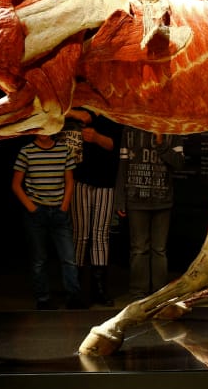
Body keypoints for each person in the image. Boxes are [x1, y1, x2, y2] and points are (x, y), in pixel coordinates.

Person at [11, 125, 86, 310]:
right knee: (39, 259)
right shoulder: (27, 151)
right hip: (37, 212)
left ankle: (73, 297)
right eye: (39, 128)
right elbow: (16, 184)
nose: (43, 132)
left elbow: (69, 181)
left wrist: (64, 205)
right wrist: (32, 207)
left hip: (58, 211)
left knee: (68, 257)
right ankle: (43, 298)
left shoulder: (63, 150)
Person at [115, 126, 186, 300]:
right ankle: (139, 294)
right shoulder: (130, 127)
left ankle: (159, 293)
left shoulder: (171, 127)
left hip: (162, 199)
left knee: (159, 249)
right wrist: (120, 198)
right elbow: (123, 164)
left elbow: (179, 163)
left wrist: (161, 144)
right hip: (136, 198)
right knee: (139, 249)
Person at [66, 108, 120, 307]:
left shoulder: (112, 113)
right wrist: (75, 113)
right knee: (80, 234)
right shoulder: (79, 105)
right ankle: (76, 289)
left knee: (100, 235)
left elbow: (115, 144)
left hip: (105, 181)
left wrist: (97, 138)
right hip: (81, 178)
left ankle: (99, 289)